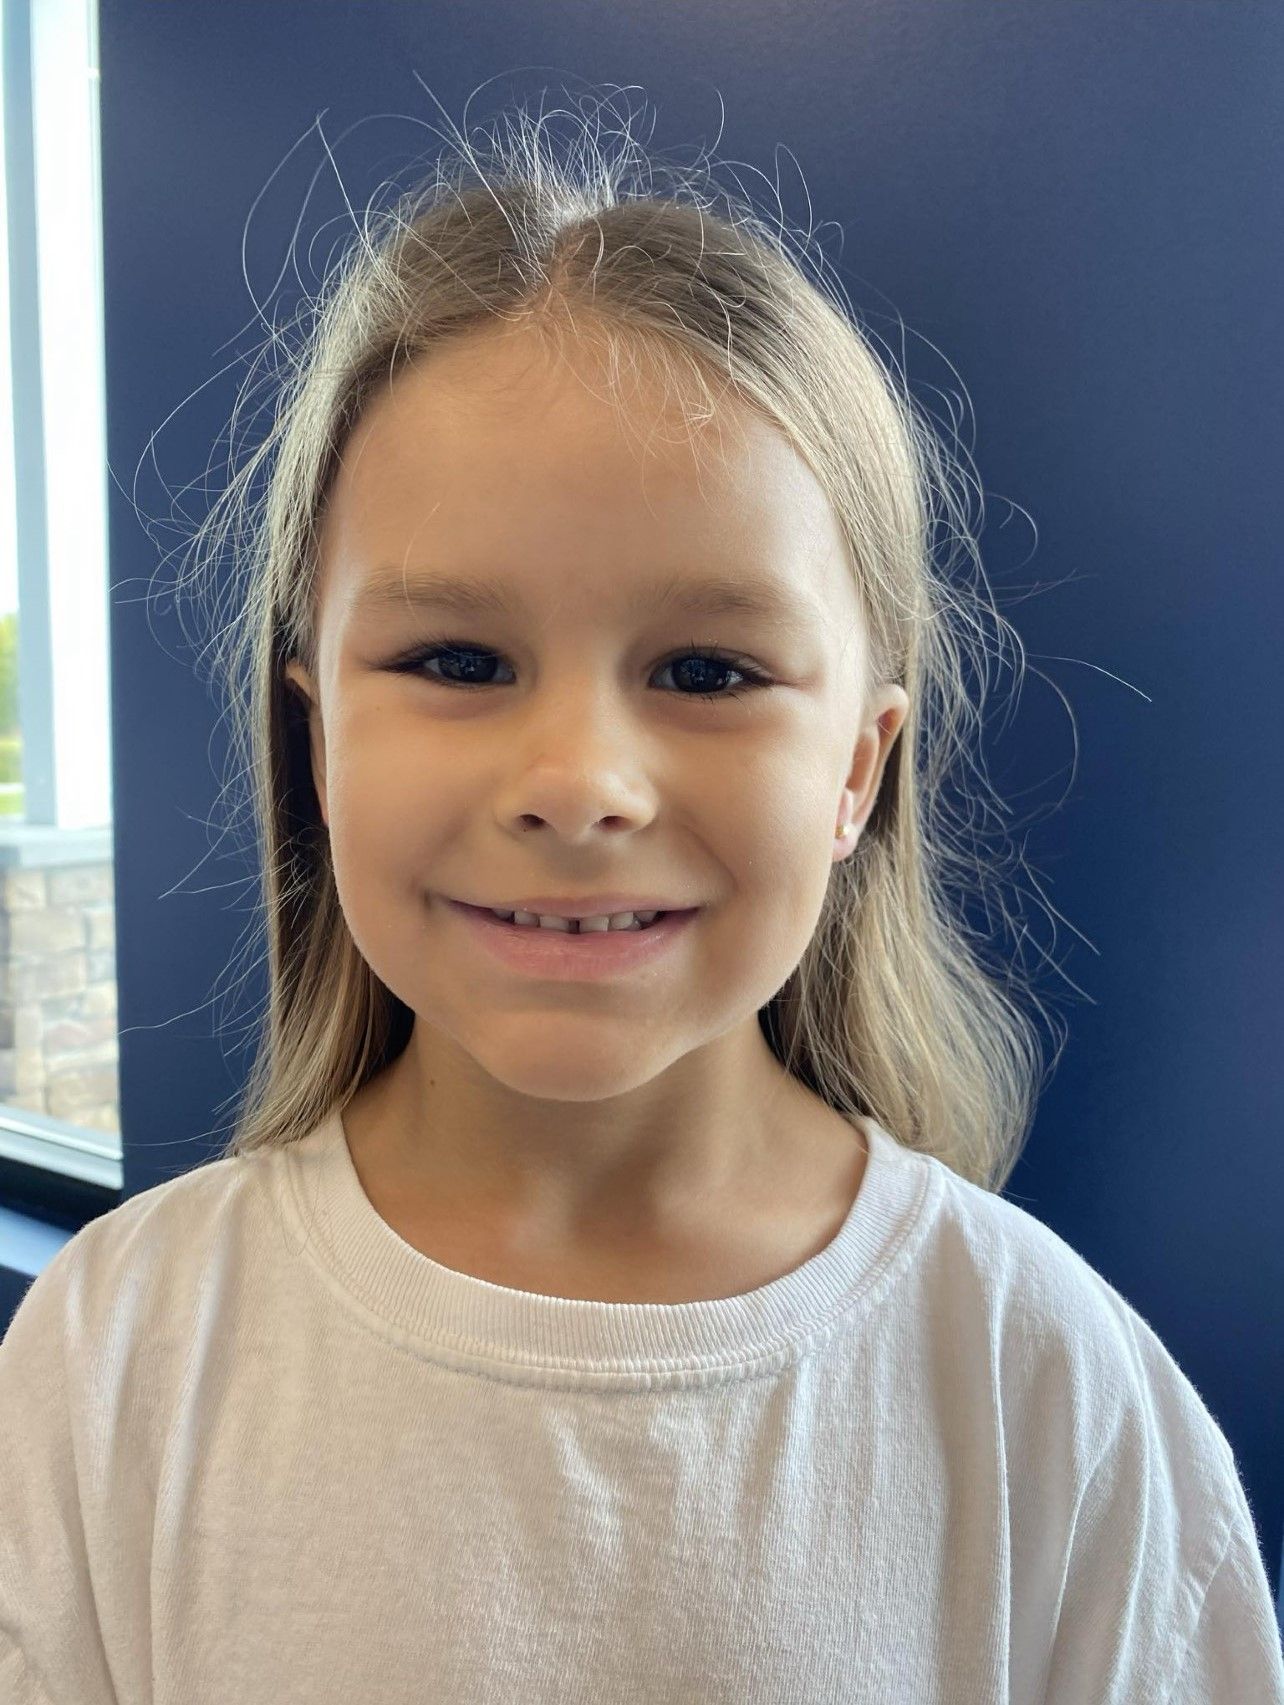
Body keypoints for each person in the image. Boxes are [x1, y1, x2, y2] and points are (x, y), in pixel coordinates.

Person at [2, 100, 1281, 1704]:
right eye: (456, 659)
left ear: (858, 770)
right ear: (317, 732)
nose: (580, 782)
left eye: (708, 671)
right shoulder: (111, 1356)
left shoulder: (1048, 1398)